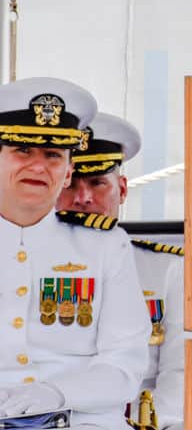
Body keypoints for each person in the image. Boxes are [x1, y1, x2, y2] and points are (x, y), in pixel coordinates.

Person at [0, 77, 147, 429]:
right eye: (23, 151)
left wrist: (57, 393)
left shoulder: (106, 246)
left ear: (68, 173)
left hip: (84, 420)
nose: (38, 167)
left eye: (53, 155)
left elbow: (124, 363)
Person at [55, 112, 185, 430]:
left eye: (97, 182)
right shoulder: (18, 264)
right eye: (69, 184)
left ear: (123, 190)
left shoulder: (168, 269)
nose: (83, 198)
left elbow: (181, 373)